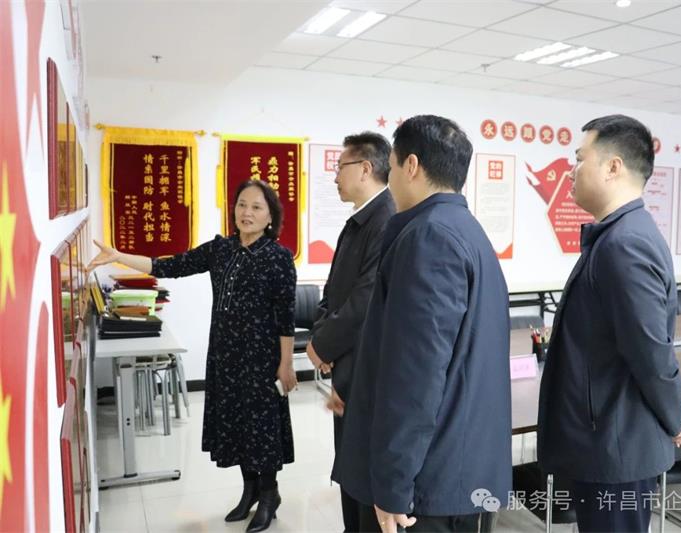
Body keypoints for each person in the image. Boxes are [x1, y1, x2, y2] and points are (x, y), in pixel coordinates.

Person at [88, 179, 297, 533]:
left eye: (256, 207)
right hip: (225, 357)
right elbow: (170, 266)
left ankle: (268, 495)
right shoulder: (221, 249)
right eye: (242, 204)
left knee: (261, 429)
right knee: (236, 426)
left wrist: (286, 364)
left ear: (270, 217)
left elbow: (285, 317)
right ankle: (249, 491)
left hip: (262, 360)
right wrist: (119, 256)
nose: (246, 213)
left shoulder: (278, 258)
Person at [337, 115, 512, 533]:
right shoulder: (464, 229)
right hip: (455, 467)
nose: (390, 177)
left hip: (427, 487)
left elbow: (416, 376)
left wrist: (393, 484)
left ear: (411, 165)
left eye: (393, 165)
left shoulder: (429, 238)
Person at [536, 114, 681, 532]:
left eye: (579, 159)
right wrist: (675, 410)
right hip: (610, 434)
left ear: (613, 167)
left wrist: (674, 414)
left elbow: (650, 352)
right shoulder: (619, 235)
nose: (571, 170)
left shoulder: (624, 244)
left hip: (616, 444)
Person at [305, 131, 395, 532]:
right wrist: (321, 340)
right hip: (346, 363)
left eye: (340, 167)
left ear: (365, 169)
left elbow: (367, 297)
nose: (335, 176)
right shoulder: (360, 220)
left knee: (362, 470)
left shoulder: (385, 219)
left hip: (366, 368)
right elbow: (333, 291)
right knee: (349, 463)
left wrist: (323, 345)